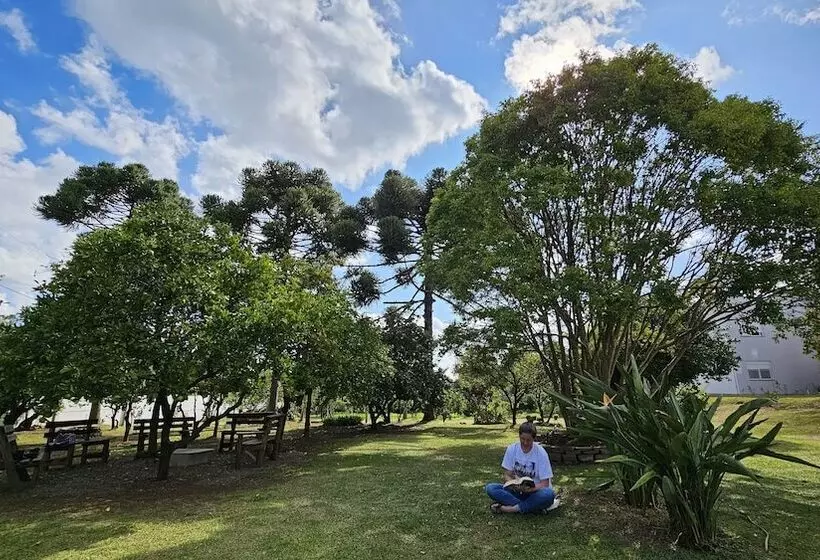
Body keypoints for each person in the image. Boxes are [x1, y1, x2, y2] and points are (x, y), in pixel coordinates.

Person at [485, 422, 560, 514]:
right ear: (519, 436)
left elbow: (544, 484)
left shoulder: (541, 453)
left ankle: (511, 509)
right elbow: (507, 474)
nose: (525, 443)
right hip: (517, 491)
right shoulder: (512, 449)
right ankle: (533, 508)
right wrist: (514, 485)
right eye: (522, 439)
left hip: (535, 492)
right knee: (491, 488)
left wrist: (529, 489)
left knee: (548, 494)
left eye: (528, 440)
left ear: (534, 438)